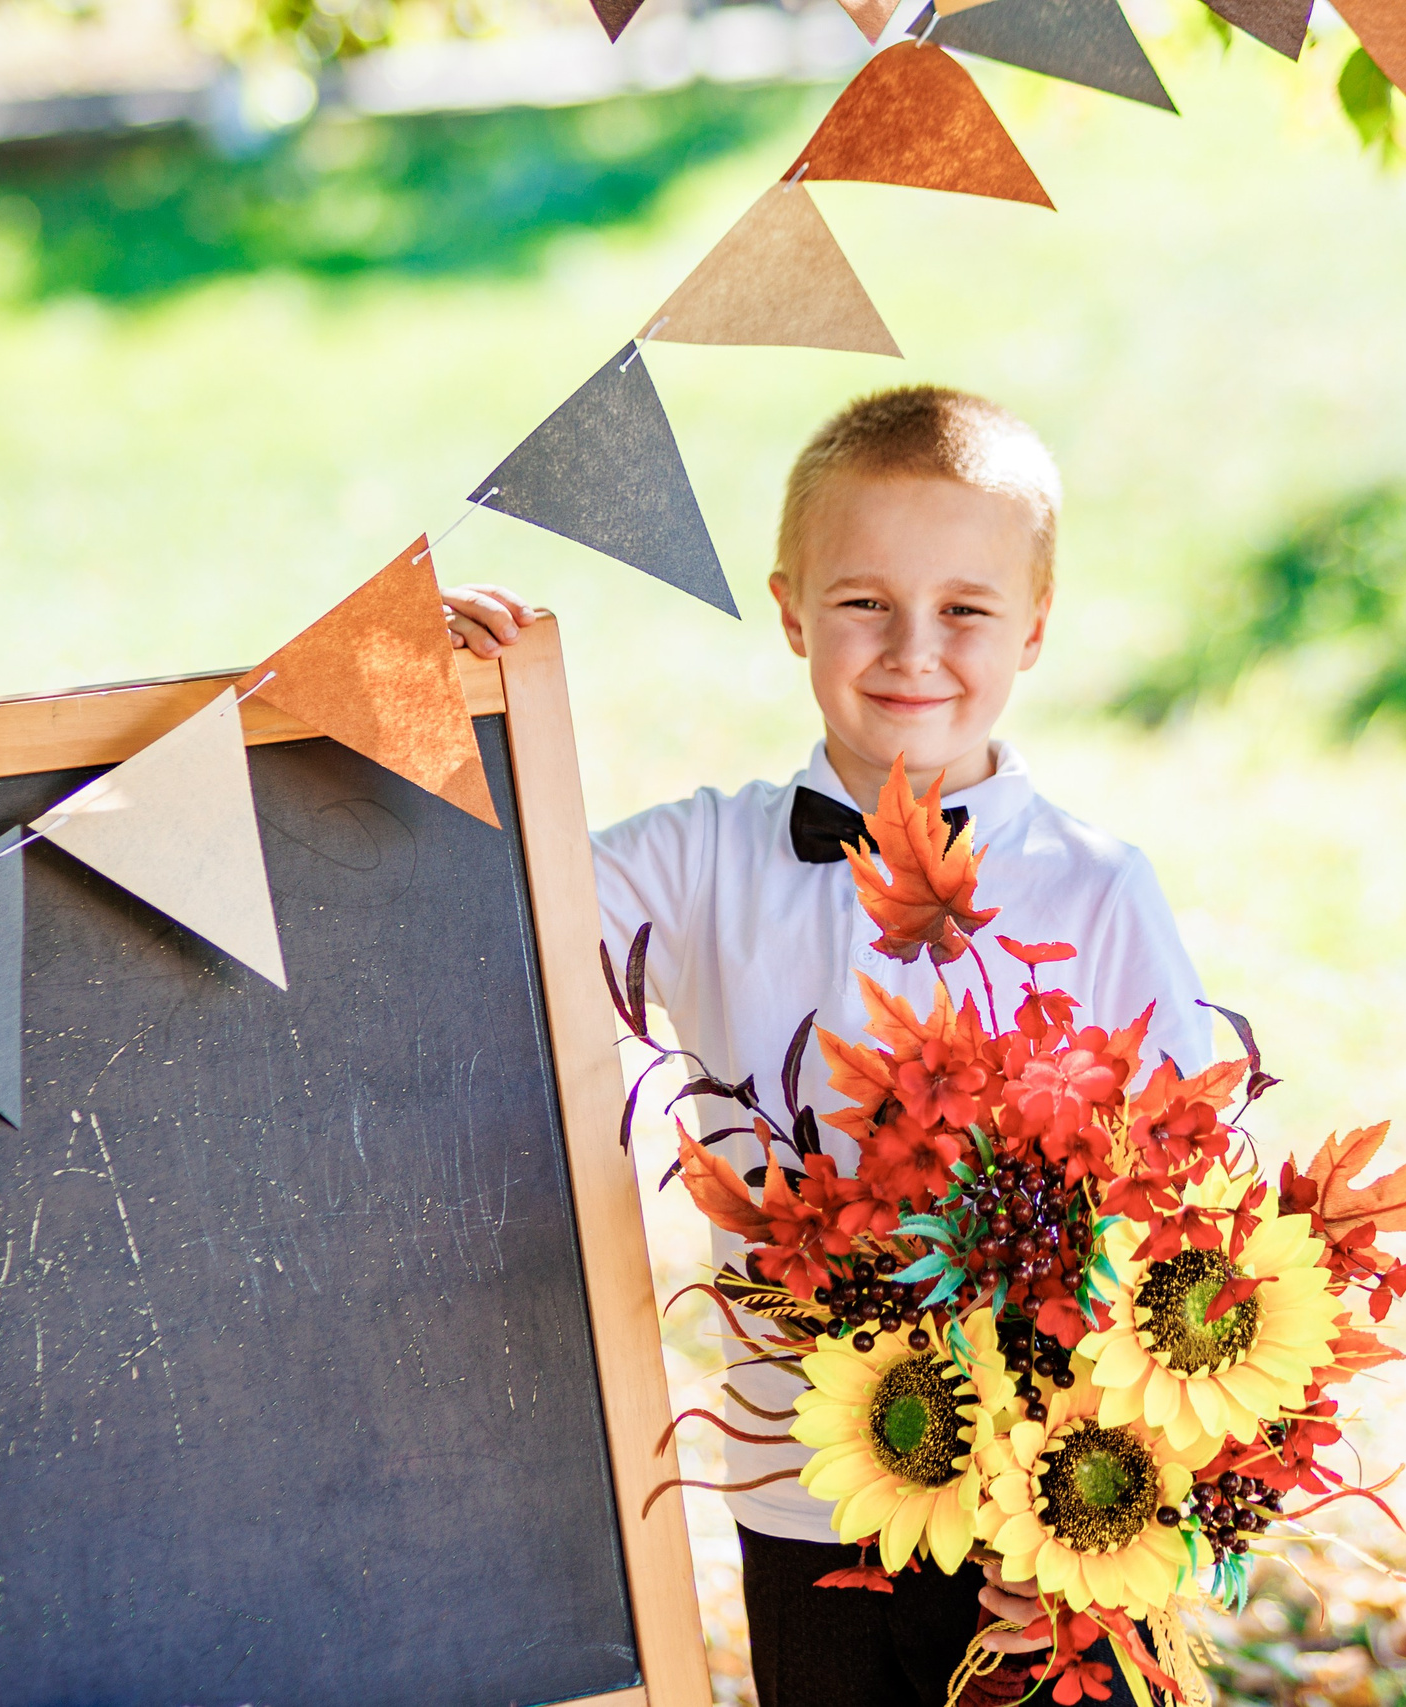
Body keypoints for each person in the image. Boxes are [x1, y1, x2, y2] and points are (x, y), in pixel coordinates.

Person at [442, 386, 1205, 1707]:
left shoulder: (1097, 888)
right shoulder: (700, 862)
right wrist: (436, 708)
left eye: (965, 609)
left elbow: (1190, 1195)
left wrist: (1105, 1501)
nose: (914, 648)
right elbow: (474, 927)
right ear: (792, 610)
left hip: (1049, 1493)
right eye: (865, 602)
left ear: (1035, 625)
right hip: (802, 1485)